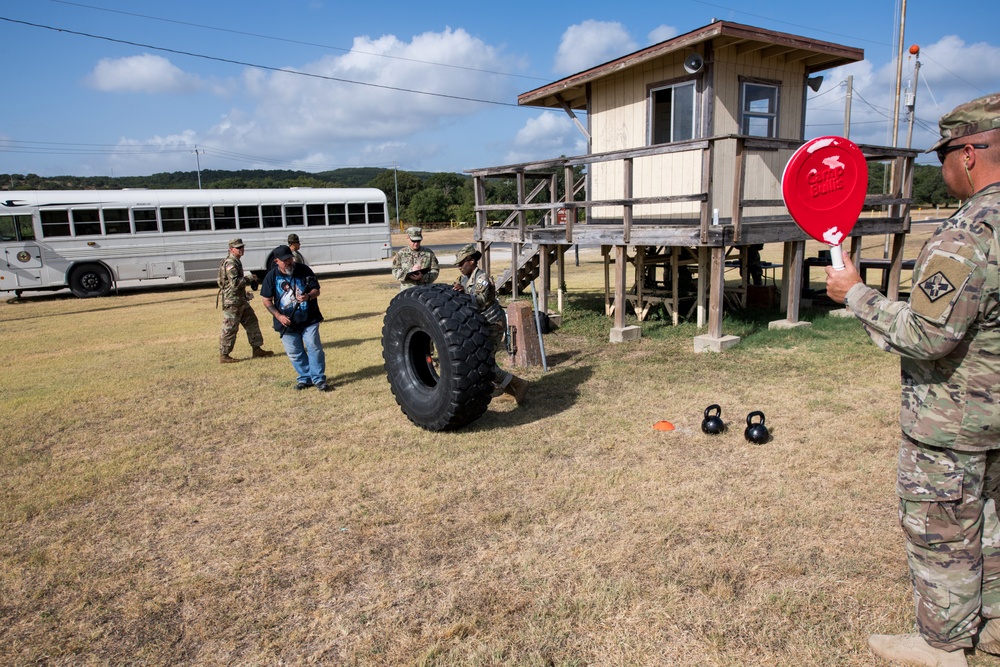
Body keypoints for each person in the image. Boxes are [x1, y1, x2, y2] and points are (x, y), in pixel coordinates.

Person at [826, 92, 1000, 667]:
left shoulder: (968, 232)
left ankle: (943, 645)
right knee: (995, 529)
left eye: (945, 152)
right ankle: (994, 628)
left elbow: (928, 335)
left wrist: (855, 293)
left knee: (943, 533)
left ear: (970, 153)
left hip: (954, 422)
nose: (942, 165)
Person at [452, 243, 529, 404]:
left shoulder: (482, 279)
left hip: (493, 323)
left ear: (471, 261)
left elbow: (480, 301)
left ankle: (519, 384)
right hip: (480, 324)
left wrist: (463, 295)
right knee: (486, 361)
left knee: (485, 363)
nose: (459, 267)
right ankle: (509, 390)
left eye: (461, 263)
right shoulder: (463, 278)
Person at [260, 244, 332, 392]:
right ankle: (305, 378)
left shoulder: (304, 270)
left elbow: (316, 290)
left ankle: (319, 379)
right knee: (295, 352)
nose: (289, 262)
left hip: (309, 319)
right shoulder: (271, 277)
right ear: (276, 261)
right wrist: (279, 316)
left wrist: (308, 296)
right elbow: (266, 300)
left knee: (314, 347)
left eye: (290, 259)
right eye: (285, 260)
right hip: (287, 323)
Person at [217, 238, 273, 364]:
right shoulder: (231, 263)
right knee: (230, 328)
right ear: (231, 249)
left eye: (242, 247)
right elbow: (235, 283)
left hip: (240, 300)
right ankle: (224, 355)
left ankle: (257, 349)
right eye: (238, 248)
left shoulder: (236, 261)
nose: (241, 249)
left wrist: (244, 293)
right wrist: (250, 278)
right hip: (233, 303)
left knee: (252, 321)